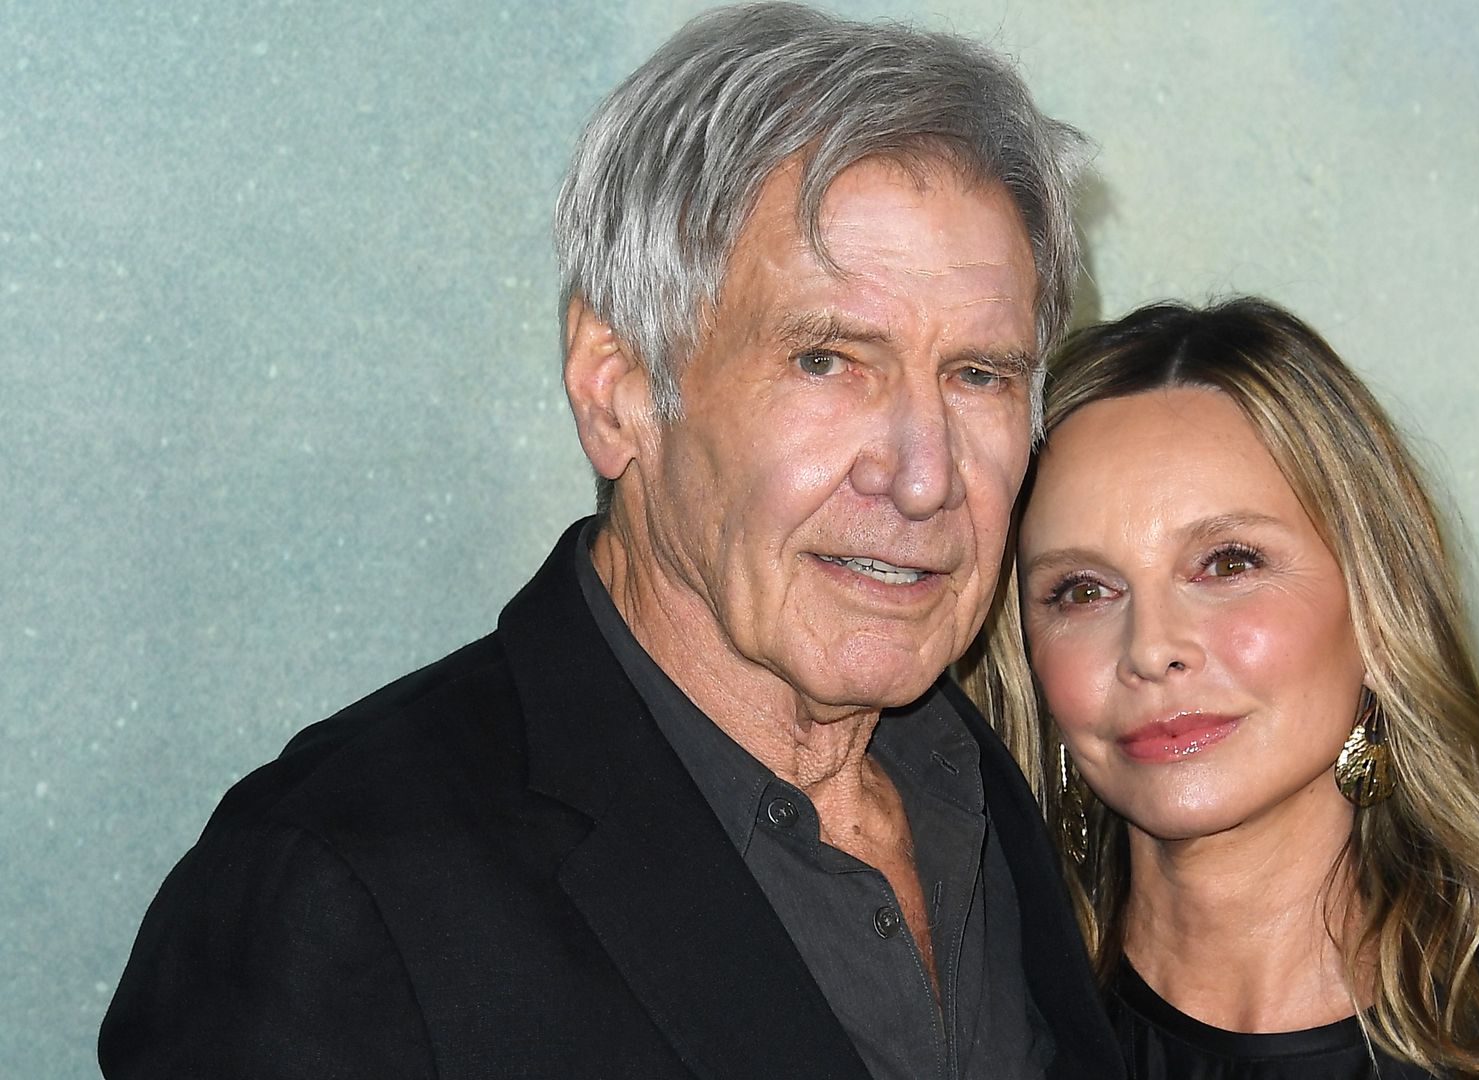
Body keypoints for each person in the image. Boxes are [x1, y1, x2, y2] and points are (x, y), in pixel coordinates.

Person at [99, 5, 1124, 1078]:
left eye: (980, 375)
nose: (922, 475)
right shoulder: (336, 890)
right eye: (827, 360)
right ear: (619, 387)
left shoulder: (984, 791)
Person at [960, 298, 1479, 1078]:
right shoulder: (958, 1047)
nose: (1152, 647)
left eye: (1229, 563)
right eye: (1083, 590)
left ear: (1376, 608)